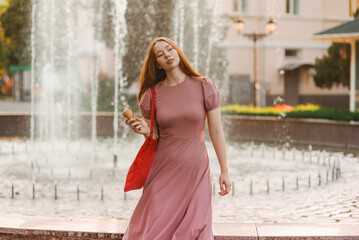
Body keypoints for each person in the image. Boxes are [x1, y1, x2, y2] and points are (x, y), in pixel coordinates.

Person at [123, 37, 231, 239]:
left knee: (194, 229)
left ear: (178, 51)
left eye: (170, 49)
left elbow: (216, 131)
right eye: (161, 55)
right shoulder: (151, 95)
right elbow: (154, 135)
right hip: (163, 171)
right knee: (155, 230)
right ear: (157, 64)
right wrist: (144, 131)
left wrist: (224, 170)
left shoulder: (204, 86)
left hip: (195, 171)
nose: (167, 55)